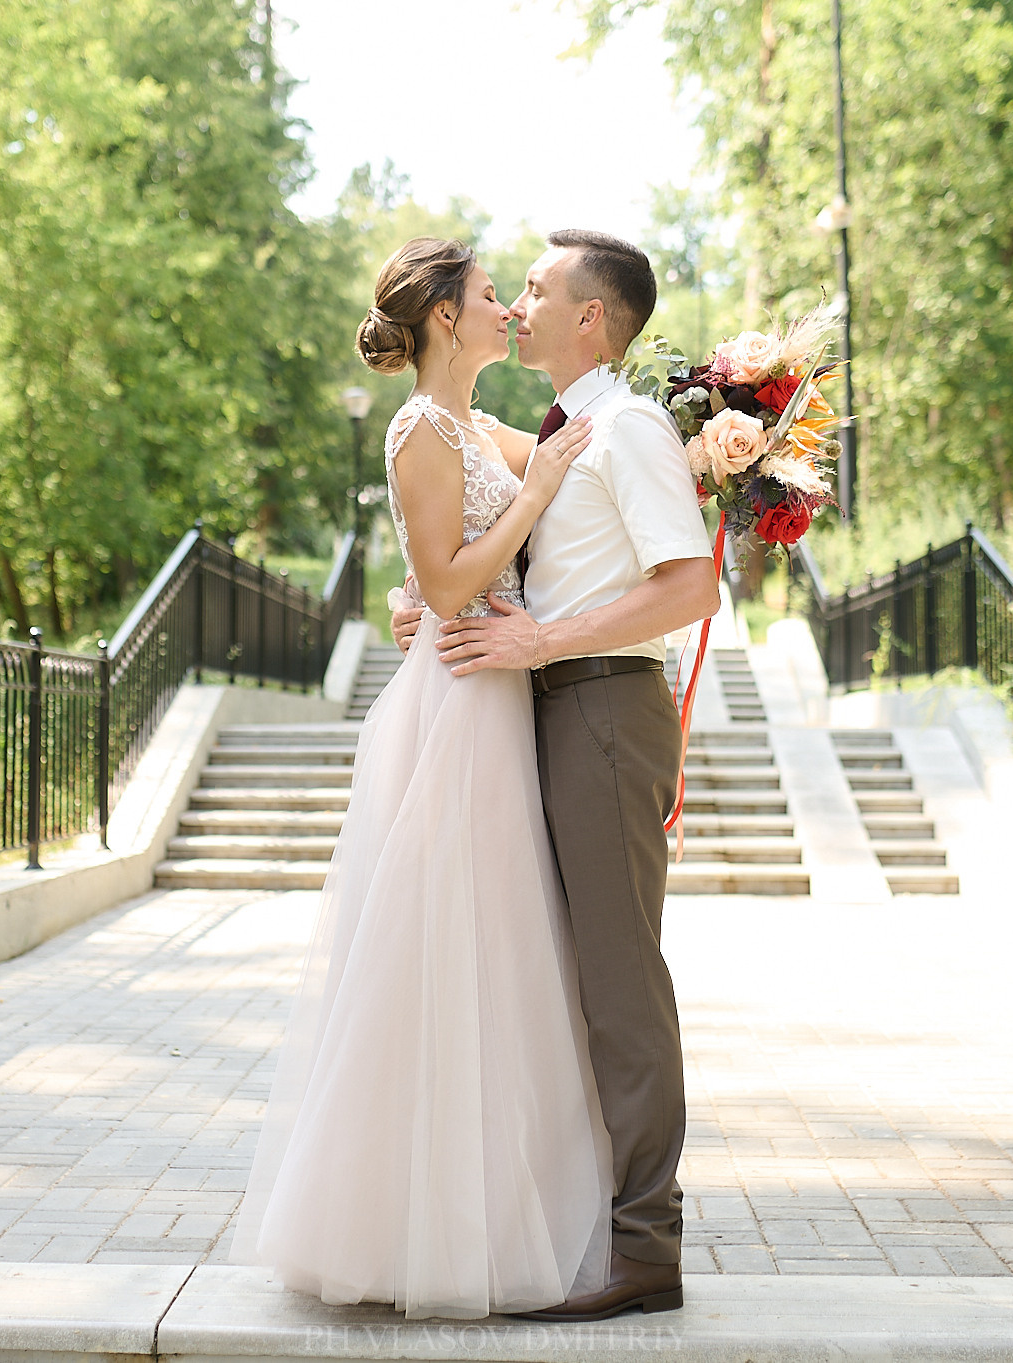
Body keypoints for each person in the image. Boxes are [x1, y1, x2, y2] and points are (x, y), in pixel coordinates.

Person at [230, 237, 611, 1321]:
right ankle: (405, 1226)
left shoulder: (480, 427)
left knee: (496, 957)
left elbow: (556, 469)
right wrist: (528, 499)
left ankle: (495, 1210)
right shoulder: (415, 429)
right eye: (493, 296)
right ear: (446, 316)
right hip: (454, 710)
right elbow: (446, 585)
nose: (506, 310)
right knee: (441, 954)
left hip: (494, 696)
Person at [390, 229, 718, 1322]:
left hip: (604, 708)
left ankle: (645, 1248)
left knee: (619, 981)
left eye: (535, 289)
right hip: (544, 708)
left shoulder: (625, 428)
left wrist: (542, 642)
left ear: (589, 318)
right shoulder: (560, 431)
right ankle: (585, 1224)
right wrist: (440, 608)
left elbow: (689, 590)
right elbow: (496, 555)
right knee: (561, 981)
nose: (517, 302)